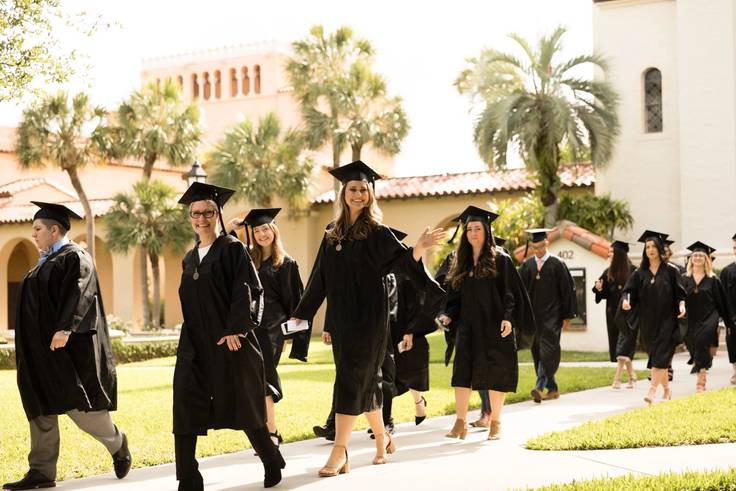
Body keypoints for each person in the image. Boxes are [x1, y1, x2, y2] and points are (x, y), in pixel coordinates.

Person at [291, 160, 444, 476]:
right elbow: (319, 276)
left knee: (350, 379)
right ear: (344, 194)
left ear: (370, 195)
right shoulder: (332, 234)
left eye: (363, 189)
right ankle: (384, 437)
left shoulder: (377, 233)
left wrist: (420, 247)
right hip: (344, 320)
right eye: (353, 189)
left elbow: (403, 262)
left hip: (371, 320)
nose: (358, 194)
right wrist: (302, 314)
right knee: (365, 380)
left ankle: (339, 451)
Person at [3, 202, 131, 491]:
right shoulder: (45, 261)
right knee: (40, 408)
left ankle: (117, 442)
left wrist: (65, 328)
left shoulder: (75, 256)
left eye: (37, 229)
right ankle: (42, 471)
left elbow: (81, 292)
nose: (33, 235)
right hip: (38, 352)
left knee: (80, 409)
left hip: (65, 349)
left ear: (54, 229)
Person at [174, 183, 284, 490]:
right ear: (190, 217)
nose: (202, 219)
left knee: (245, 405)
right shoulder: (189, 258)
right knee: (185, 403)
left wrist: (237, 327)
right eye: (195, 213)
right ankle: (188, 477)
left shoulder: (232, 249)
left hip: (231, 341)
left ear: (218, 213)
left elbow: (248, 289)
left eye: (208, 212)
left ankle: (270, 457)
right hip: (195, 343)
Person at [440, 206, 534, 440]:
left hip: (494, 326)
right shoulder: (460, 260)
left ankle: (495, 422)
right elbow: (454, 296)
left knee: (496, 373)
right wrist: (448, 314)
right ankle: (460, 422)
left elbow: (511, 293)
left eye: (477, 228)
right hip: (467, 327)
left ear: (487, 230)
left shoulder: (500, 259)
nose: (472, 233)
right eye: (469, 229)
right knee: (461, 373)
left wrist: (508, 318)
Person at [227, 208, 311, 447]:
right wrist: (234, 228)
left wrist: (288, 337)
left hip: (273, 332)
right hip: (250, 329)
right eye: (256, 230)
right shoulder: (247, 258)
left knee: (264, 380)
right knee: (253, 382)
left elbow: (296, 303)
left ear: (274, 230)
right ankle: (268, 432)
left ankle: (270, 433)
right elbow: (227, 252)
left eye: (265, 228)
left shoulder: (286, 263)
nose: (262, 234)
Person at [622, 230, 686, 405]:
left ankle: (652, 391)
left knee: (660, 357)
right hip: (648, 322)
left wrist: (681, 305)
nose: (650, 249)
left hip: (668, 320)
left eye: (653, 246)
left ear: (659, 249)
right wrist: (626, 301)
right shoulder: (639, 273)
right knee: (659, 358)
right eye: (647, 246)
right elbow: (628, 291)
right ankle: (667, 389)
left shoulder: (671, 271)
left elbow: (680, 294)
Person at [518, 228, 577, 403]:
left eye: (540, 247)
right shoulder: (527, 265)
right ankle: (553, 388)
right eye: (534, 248)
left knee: (548, 351)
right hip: (533, 317)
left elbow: (568, 291)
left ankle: (539, 386)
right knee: (537, 351)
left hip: (553, 316)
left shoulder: (557, 264)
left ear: (547, 243)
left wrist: (567, 316)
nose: (538, 251)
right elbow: (519, 291)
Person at [682, 241, 735, 392]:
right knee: (693, 344)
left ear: (706, 259)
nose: (698, 258)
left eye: (701, 255)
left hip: (709, 318)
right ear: (691, 259)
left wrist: (728, 323)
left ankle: (701, 379)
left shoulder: (713, 280)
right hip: (690, 319)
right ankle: (702, 365)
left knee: (702, 341)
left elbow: (722, 303)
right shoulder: (684, 279)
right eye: (695, 255)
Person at [593, 241, 637, 388]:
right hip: (612, 314)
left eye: (612, 252)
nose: (609, 254)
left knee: (623, 347)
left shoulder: (633, 271)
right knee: (619, 347)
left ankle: (617, 379)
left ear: (619, 254)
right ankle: (632, 377)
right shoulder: (608, 272)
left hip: (628, 315)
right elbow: (603, 293)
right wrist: (599, 289)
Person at [720, 233, 736, 384]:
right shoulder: (727, 271)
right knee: (733, 343)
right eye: (734, 248)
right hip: (733, 316)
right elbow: (723, 297)